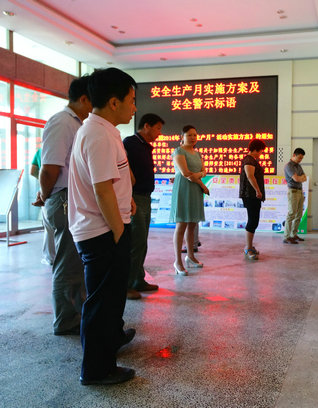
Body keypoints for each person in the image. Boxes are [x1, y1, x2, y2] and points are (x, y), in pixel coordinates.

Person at [68, 67, 138, 385]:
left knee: (109, 301)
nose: (134, 107)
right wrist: (119, 232)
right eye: (131, 100)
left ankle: (109, 346)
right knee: (101, 304)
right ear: (113, 102)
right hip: (103, 231)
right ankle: (97, 370)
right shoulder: (97, 134)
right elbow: (102, 190)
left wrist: (127, 201)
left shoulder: (103, 130)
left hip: (108, 227)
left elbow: (112, 181)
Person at [31, 77, 91, 336]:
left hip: (72, 198)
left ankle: (76, 314)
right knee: (67, 263)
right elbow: (49, 168)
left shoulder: (78, 124)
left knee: (75, 262)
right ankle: (66, 321)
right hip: (64, 198)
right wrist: (45, 196)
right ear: (84, 98)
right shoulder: (62, 122)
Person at [123, 113, 165, 300]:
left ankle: (138, 280)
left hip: (145, 197)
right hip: (134, 197)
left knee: (142, 242)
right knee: (135, 242)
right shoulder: (130, 143)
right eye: (158, 128)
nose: (159, 133)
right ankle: (126, 285)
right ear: (146, 126)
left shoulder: (145, 146)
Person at [170, 125, 209, 275]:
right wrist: (202, 184)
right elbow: (186, 174)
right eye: (189, 135)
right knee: (181, 225)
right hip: (184, 189)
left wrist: (198, 176)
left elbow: (203, 171)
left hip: (195, 190)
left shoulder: (197, 153)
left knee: (192, 224)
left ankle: (190, 257)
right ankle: (177, 261)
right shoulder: (178, 151)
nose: (193, 138)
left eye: (194, 135)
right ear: (182, 137)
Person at [239, 139, 266, 260]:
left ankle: (249, 246)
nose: (261, 154)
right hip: (250, 195)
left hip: (253, 195)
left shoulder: (252, 160)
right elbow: (250, 176)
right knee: (252, 221)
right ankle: (248, 248)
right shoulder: (249, 160)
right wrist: (258, 191)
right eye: (261, 151)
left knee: (254, 220)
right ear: (256, 149)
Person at [31, 147, 56, 266]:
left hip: (44, 191)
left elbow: (32, 171)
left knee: (48, 228)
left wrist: (42, 181)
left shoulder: (40, 151)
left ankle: (49, 257)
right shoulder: (58, 150)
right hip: (59, 190)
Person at [283, 147, 307, 244]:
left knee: (299, 214)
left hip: (300, 191)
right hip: (293, 191)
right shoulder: (289, 166)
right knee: (292, 214)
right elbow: (296, 179)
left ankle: (294, 234)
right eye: (299, 157)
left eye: (302, 158)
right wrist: (300, 178)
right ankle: (287, 236)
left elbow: (304, 177)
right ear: (294, 155)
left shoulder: (298, 166)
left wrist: (300, 178)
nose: (300, 160)